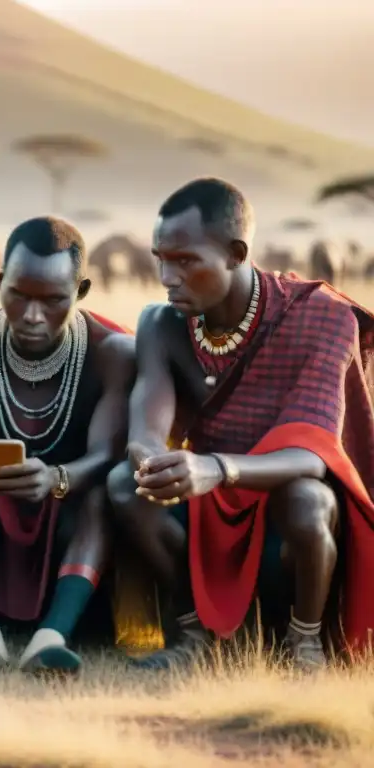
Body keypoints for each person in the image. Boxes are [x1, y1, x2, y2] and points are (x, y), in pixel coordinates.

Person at [107, 177, 374, 670]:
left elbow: (314, 454)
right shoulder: (161, 324)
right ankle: (192, 638)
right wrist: (149, 460)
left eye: (185, 261)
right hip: (205, 503)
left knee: (308, 499)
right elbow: (147, 423)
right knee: (125, 486)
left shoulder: (323, 316)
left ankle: (305, 642)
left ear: (235, 253)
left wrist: (215, 468)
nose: (167, 277)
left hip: (283, 510)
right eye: (160, 258)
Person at [0, 216, 135, 673]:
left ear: (81, 292)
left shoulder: (113, 352)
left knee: (104, 491)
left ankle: (53, 636)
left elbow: (105, 455)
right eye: (17, 295)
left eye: (53, 300)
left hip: (72, 520)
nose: (32, 315)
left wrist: (57, 478)